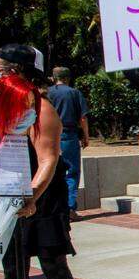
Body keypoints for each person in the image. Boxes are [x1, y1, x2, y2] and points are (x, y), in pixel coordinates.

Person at [0, 45, 83, 279]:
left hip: (42, 203)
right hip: (10, 201)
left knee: (53, 267)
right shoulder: (3, 107)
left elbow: (48, 159)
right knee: (13, 272)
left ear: (17, 71)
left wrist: (32, 196)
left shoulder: (41, 109)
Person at [45, 67, 89, 220]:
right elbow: (83, 118)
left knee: (51, 171)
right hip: (68, 135)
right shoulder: (74, 93)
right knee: (71, 172)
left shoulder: (47, 93)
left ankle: (54, 208)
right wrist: (86, 136)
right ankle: (69, 208)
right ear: (68, 78)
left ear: (53, 77)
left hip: (49, 135)